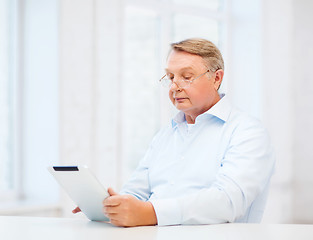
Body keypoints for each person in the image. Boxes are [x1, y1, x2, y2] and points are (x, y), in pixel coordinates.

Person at [73, 38, 275, 227]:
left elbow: (229, 202)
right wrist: (113, 206)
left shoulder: (247, 132)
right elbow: (137, 191)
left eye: (186, 77)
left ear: (216, 78)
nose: (174, 86)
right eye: (170, 77)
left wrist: (151, 213)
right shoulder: (166, 134)